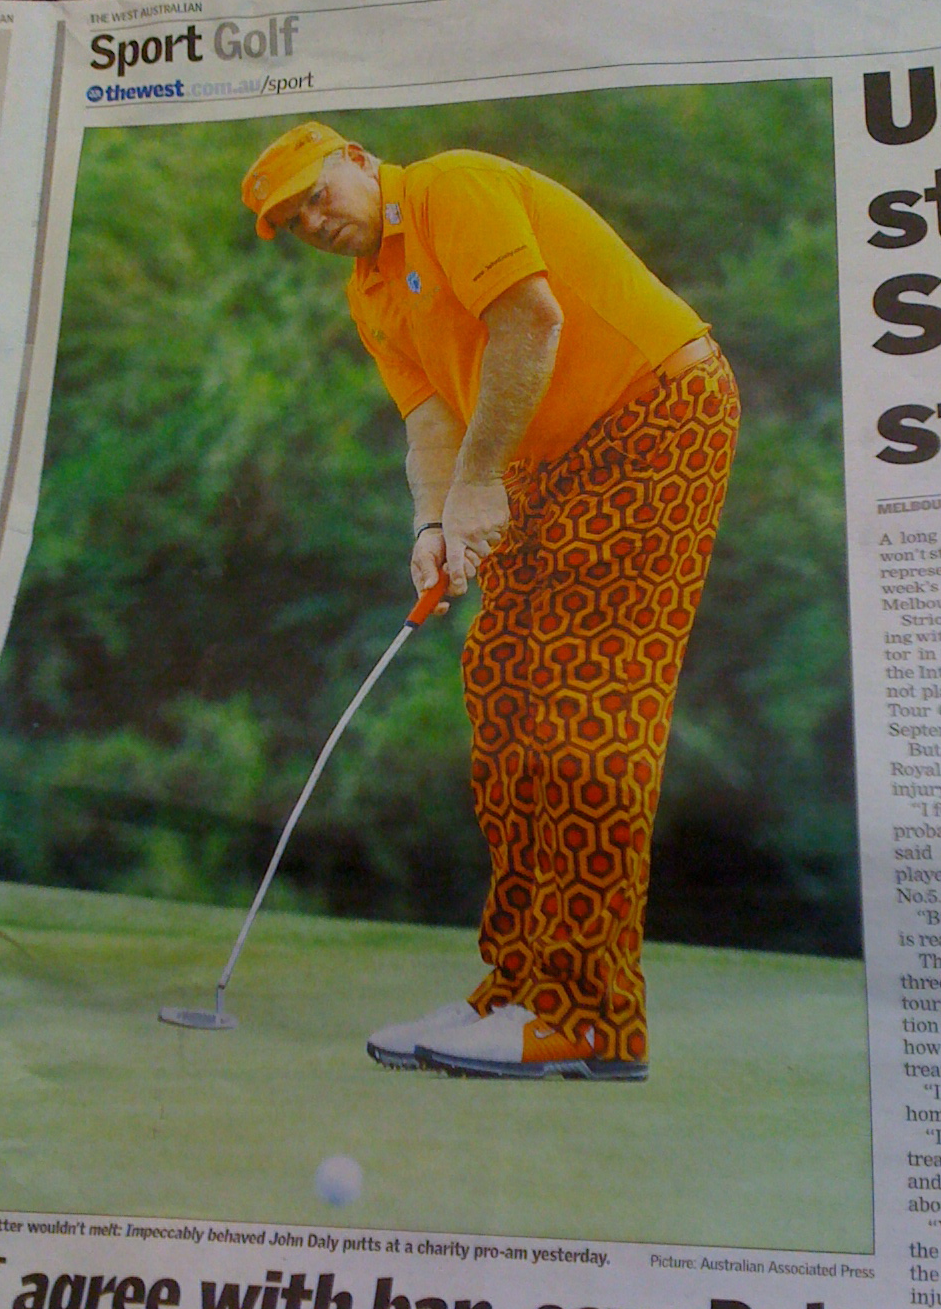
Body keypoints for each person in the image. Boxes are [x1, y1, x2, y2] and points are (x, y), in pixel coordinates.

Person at [241, 120, 739, 1081]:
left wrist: (477, 485)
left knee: (585, 707)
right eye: (293, 220)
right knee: (506, 688)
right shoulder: (370, 292)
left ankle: (588, 1018)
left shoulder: (449, 187)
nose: (314, 221)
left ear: (356, 161)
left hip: (654, 416)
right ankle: (518, 986)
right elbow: (433, 421)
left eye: (315, 194)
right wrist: (433, 524)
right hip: (545, 460)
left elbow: (531, 322)